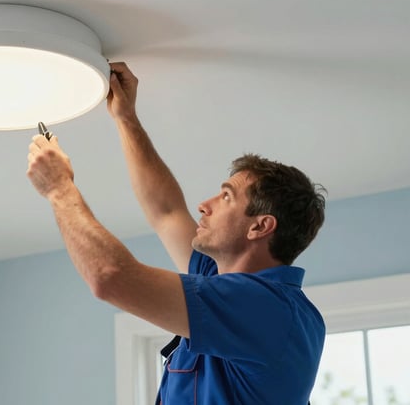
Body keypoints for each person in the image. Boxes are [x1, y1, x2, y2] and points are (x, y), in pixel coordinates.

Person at [26, 62, 327, 404]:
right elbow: (165, 211)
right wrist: (125, 117)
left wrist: (59, 189)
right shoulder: (221, 282)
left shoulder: (267, 308)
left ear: (260, 226)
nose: (204, 204)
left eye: (226, 196)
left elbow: (110, 277)